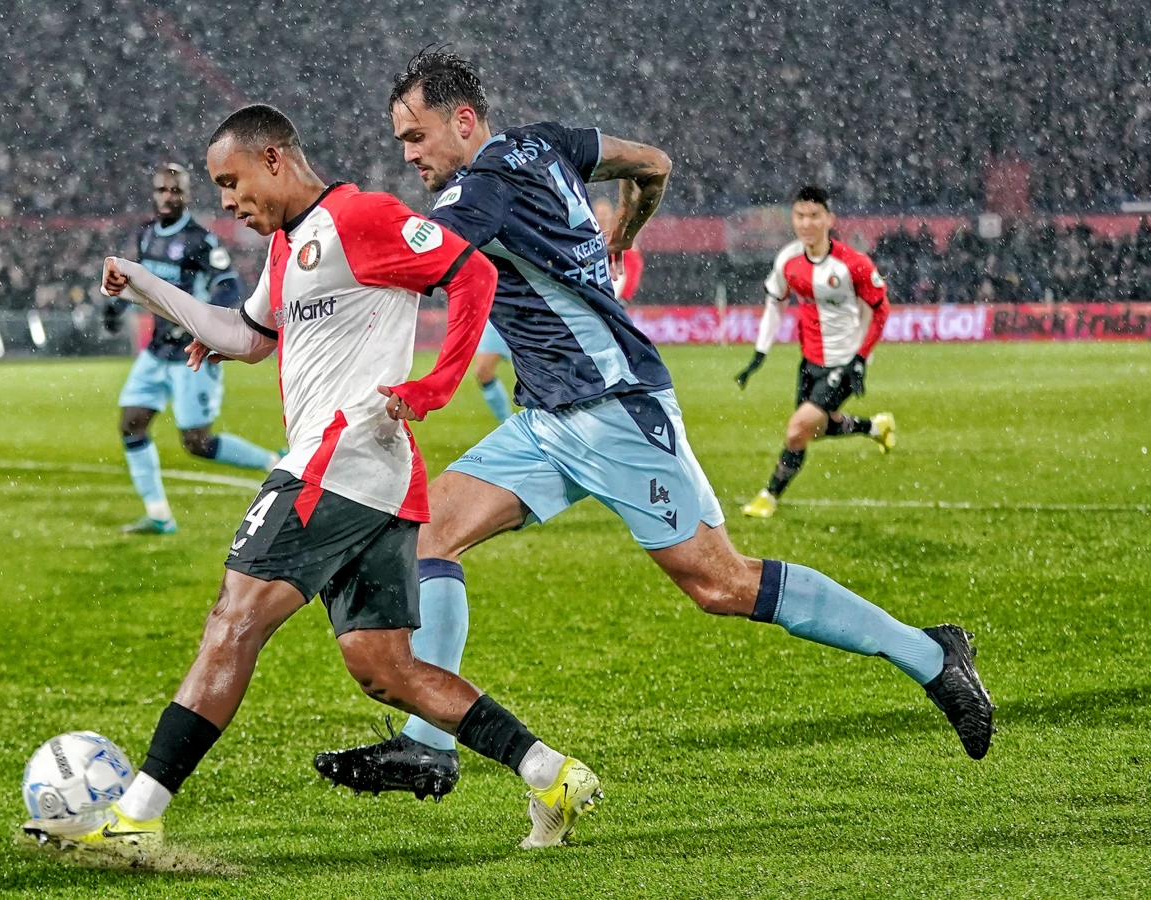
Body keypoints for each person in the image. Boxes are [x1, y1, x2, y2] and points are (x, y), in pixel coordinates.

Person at [313, 50, 992, 802]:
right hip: (547, 420)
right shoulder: (550, 142)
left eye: (416, 136)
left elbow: (411, 263)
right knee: (428, 538)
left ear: (464, 120)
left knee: (721, 584)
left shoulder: (481, 190)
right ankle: (430, 746)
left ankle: (932, 655)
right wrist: (625, 234)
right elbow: (655, 164)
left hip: (615, 413)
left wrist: (303, 270)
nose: (408, 154)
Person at [21, 105, 599, 861]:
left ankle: (135, 816)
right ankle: (550, 773)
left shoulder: (361, 216)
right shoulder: (289, 246)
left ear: (272, 158)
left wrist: (436, 385)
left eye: (231, 182)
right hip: (377, 480)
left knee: (234, 622)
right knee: (384, 668)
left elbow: (472, 271)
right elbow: (247, 335)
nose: (227, 202)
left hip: (337, 460)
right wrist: (142, 285)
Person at [108, 163, 281, 535]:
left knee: (197, 443)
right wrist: (116, 305)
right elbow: (140, 286)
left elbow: (227, 285)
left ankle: (275, 461)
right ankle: (159, 516)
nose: (168, 196)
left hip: (191, 352)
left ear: (187, 193)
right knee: (131, 424)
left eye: (175, 190)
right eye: (162, 190)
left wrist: (211, 326)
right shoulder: (145, 235)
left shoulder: (201, 240)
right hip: (156, 352)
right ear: (153, 194)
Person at [736, 185, 897, 518]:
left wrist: (861, 358)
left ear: (829, 219)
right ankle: (875, 427)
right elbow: (774, 303)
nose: (806, 223)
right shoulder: (789, 260)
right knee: (817, 428)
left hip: (845, 360)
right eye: (800, 216)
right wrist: (759, 353)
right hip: (810, 361)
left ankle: (768, 495)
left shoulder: (853, 264)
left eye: (814, 216)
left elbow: (881, 311)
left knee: (798, 429)